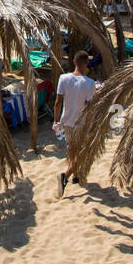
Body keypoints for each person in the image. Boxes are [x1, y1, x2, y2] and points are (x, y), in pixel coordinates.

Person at [56, 51, 97, 194]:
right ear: (86, 64)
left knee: (73, 149)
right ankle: (65, 175)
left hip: (66, 121)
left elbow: (58, 101)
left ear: (73, 61)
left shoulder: (63, 78)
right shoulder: (90, 83)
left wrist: (56, 120)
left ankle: (76, 176)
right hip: (81, 122)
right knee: (81, 151)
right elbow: (89, 104)